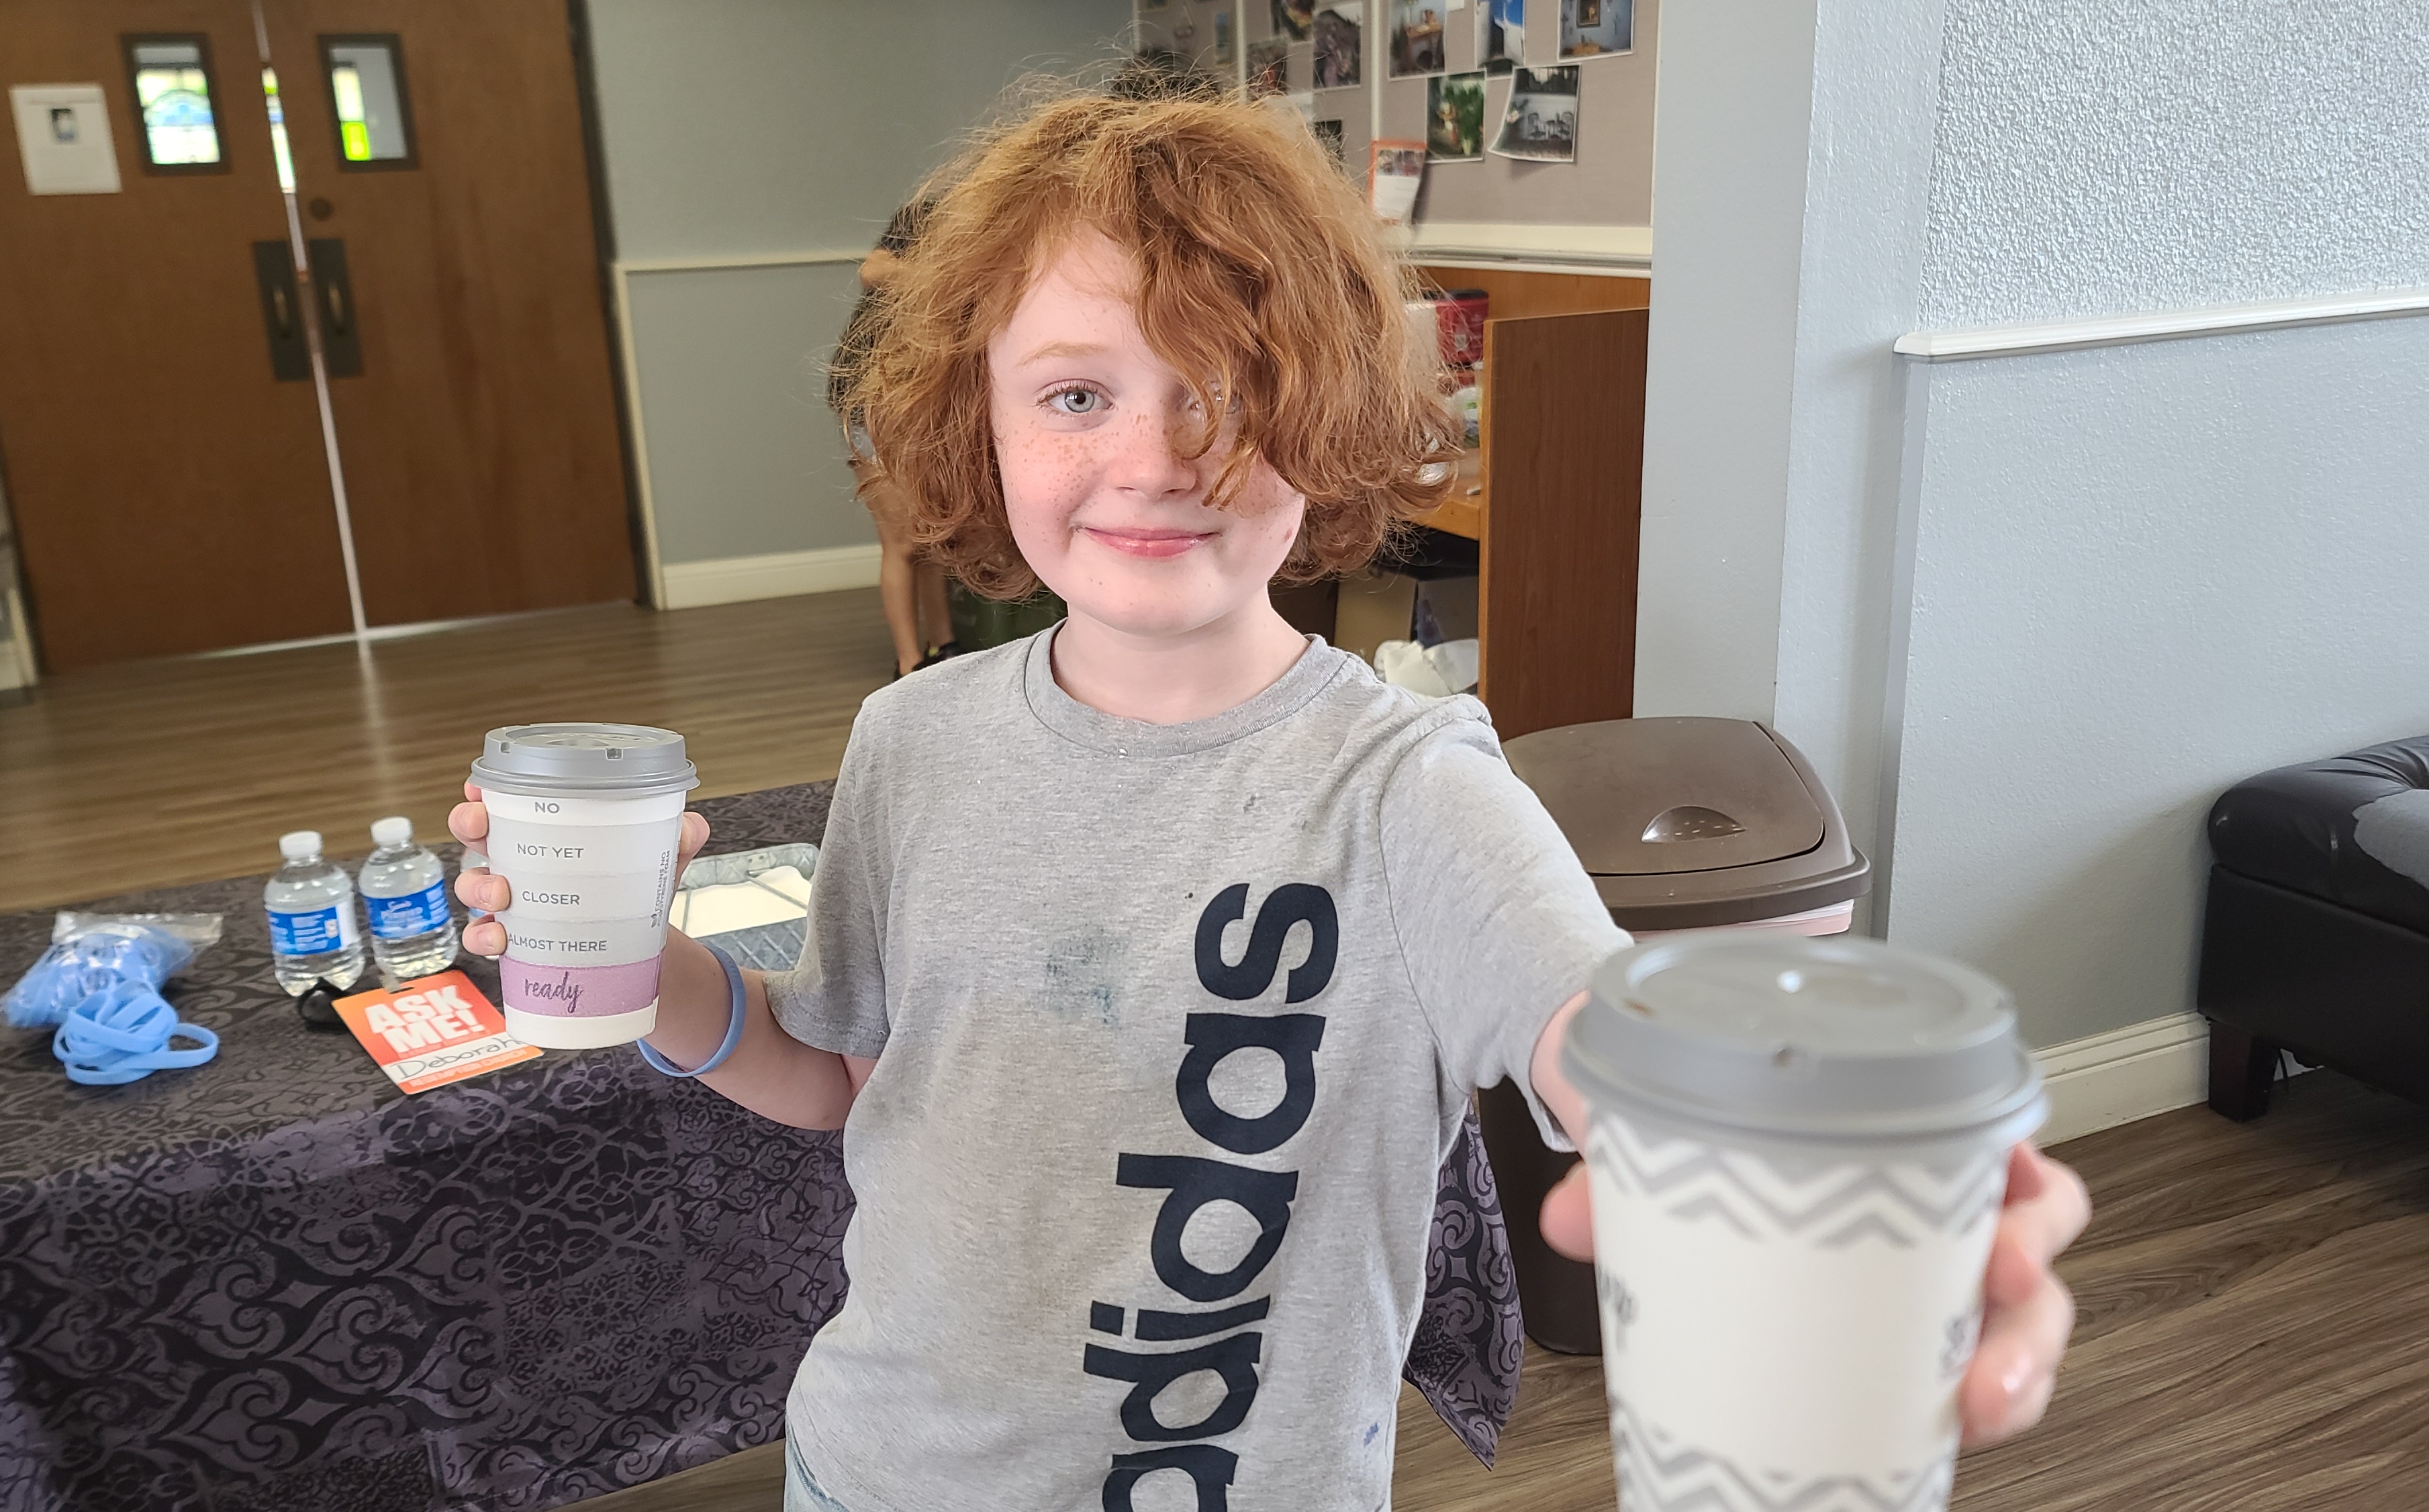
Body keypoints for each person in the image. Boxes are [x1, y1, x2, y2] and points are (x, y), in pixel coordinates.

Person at [452, 86, 2089, 1512]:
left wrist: (1795, 1184)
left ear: (1320, 411)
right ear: (979, 419)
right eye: (1075, 393)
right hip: (881, 1467)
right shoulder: (911, 738)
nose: (1156, 455)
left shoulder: (1409, 789)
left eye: (1226, 386)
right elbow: (834, 1071)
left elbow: (1609, 1046)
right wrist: (649, 969)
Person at [832, 199, 950, 676]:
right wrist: (949, 278)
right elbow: (874, 269)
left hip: (924, 406)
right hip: (872, 403)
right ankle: (908, 662)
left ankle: (945, 646)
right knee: (901, 542)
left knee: (934, 539)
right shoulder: (928, 215)